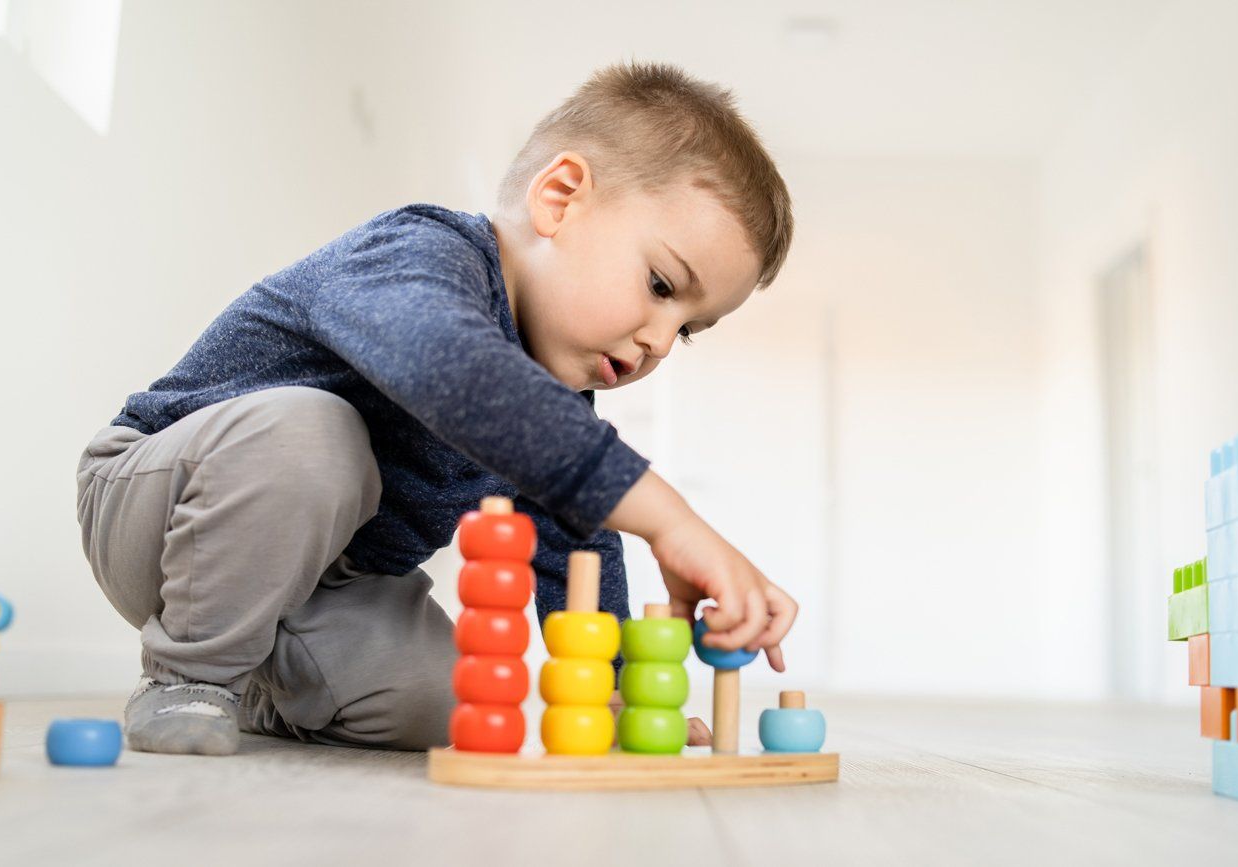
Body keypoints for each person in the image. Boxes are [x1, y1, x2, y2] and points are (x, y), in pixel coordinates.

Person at [75, 61, 797, 756]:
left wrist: (609, 696)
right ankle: (190, 677)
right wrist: (670, 520)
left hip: (328, 585)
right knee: (314, 437)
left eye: (689, 330)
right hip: (162, 507)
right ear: (561, 196)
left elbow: (576, 547)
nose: (660, 342)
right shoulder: (420, 252)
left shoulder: (554, 404)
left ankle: (260, 680)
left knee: (446, 698)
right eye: (663, 285)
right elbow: (449, 368)